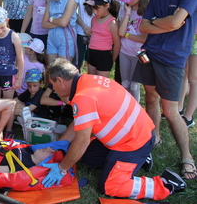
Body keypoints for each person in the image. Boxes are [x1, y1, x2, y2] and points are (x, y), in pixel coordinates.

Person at [42, 58, 187, 200]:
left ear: (60, 80)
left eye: (53, 85)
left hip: (133, 142)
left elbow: (81, 142)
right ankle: (140, 159)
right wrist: (61, 143)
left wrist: (62, 169)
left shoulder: (83, 96)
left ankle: (165, 183)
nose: (53, 89)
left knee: (109, 186)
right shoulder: (87, 81)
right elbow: (80, 122)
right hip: (132, 134)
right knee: (87, 159)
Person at [133, 0, 197, 179]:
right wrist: (165, 23)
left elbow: (177, 22)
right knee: (150, 98)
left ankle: (187, 158)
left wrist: (159, 23)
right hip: (150, 53)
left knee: (171, 110)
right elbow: (143, 27)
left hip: (172, 58)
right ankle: (154, 138)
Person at [0, 5, 24, 139]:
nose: (0, 31)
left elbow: (20, 58)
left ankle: (8, 129)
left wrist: (19, 78)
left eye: (2, 27)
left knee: (8, 103)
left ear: (7, 20)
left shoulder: (14, 36)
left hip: (8, 75)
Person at [72, 0, 113, 70]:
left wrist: (93, 28)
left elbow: (110, 15)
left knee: (92, 65)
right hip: (81, 32)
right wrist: (84, 26)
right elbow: (72, 11)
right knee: (76, 63)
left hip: (98, 35)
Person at [117, 0, 149, 102]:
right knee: (125, 84)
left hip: (138, 54)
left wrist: (126, 35)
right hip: (124, 52)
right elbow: (120, 32)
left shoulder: (146, 13)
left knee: (134, 86)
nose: (128, 0)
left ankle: (135, 111)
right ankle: (125, 110)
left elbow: (143, 38)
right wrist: (127, 14)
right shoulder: (125, 10)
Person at [178, 0, 197, 128]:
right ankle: (179, 109)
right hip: (187, 34)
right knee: (183, 74)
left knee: (194, 78)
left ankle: (189, 116)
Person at [83, 0, 120, 78]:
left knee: (101, 84)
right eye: (92, 8)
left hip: (104, 56)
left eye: (97, 8)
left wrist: (111, 61)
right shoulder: (93, 19)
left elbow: (117, 45)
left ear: (107, 6)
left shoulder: (112, 23)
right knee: (91, 81)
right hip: (92, 53)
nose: (94, 11)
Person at [42, 0, 78, 66]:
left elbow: (63, 23)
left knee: (63, 70)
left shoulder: (70, 0)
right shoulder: (50, 2)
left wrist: (51, 19)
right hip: (52, 40)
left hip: (66, 40)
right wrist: (60, 21)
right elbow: (44, 24)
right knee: (51, 69)